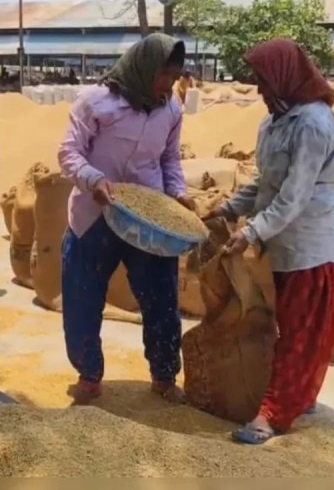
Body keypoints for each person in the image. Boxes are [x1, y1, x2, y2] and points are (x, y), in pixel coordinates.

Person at [202, 38, 334, 445]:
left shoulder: (314, 123)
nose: (260, 91)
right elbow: (265, 183)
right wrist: (229, 210)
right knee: (287, 328)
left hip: (314, 243)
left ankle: (274, 414)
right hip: (284, 243)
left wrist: (250, 232)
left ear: (284, 78)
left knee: (304, 333)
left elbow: (295, 194)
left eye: (264, 82)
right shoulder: (273, 123)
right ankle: (296, 395)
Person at [57, 33, 194, 405]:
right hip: (94, 213)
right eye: (163, 75)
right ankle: (89, 374)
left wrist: (178, 193)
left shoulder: (171, 110)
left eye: (174, 76)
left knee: (162, 298)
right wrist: (94, 181)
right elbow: (69, 153)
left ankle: (164, 374)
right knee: (83, 296)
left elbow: (169, 159)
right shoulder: (96, 103)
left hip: (148, 219)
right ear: (144, 67)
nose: (168, 84)